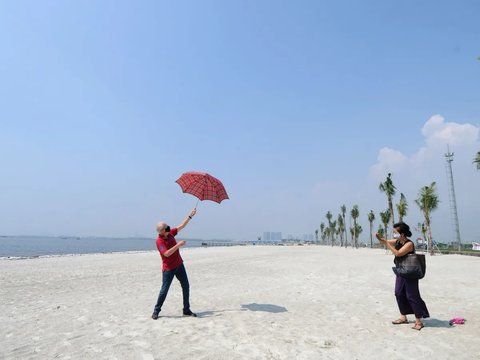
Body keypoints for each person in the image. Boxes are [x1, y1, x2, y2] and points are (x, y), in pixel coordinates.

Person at [376, 221, 429, 331]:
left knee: (412, 295)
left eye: (396, 233)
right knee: (398, 293)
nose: (394, 235)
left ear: (402, 234)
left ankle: (419, 321)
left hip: (410, 272)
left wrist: (388, 244)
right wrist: (379, 238)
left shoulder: (409, 244)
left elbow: (398, 253)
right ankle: (403, 316)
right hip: (401, 271)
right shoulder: (397, 241)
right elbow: (384, 242)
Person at [152, 208, 197, 320]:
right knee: (164, 290)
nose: (168, 228)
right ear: (161, 231)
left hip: (179, 265)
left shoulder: (171, 233)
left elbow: (181, 226)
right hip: (169, 269)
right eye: (166, 228)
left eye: (168, 226)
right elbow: (166, 254)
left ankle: (186, 310)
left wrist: (190, 216)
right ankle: (156, 310)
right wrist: (178, 245)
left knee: (186, 286)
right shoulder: (159, 241)